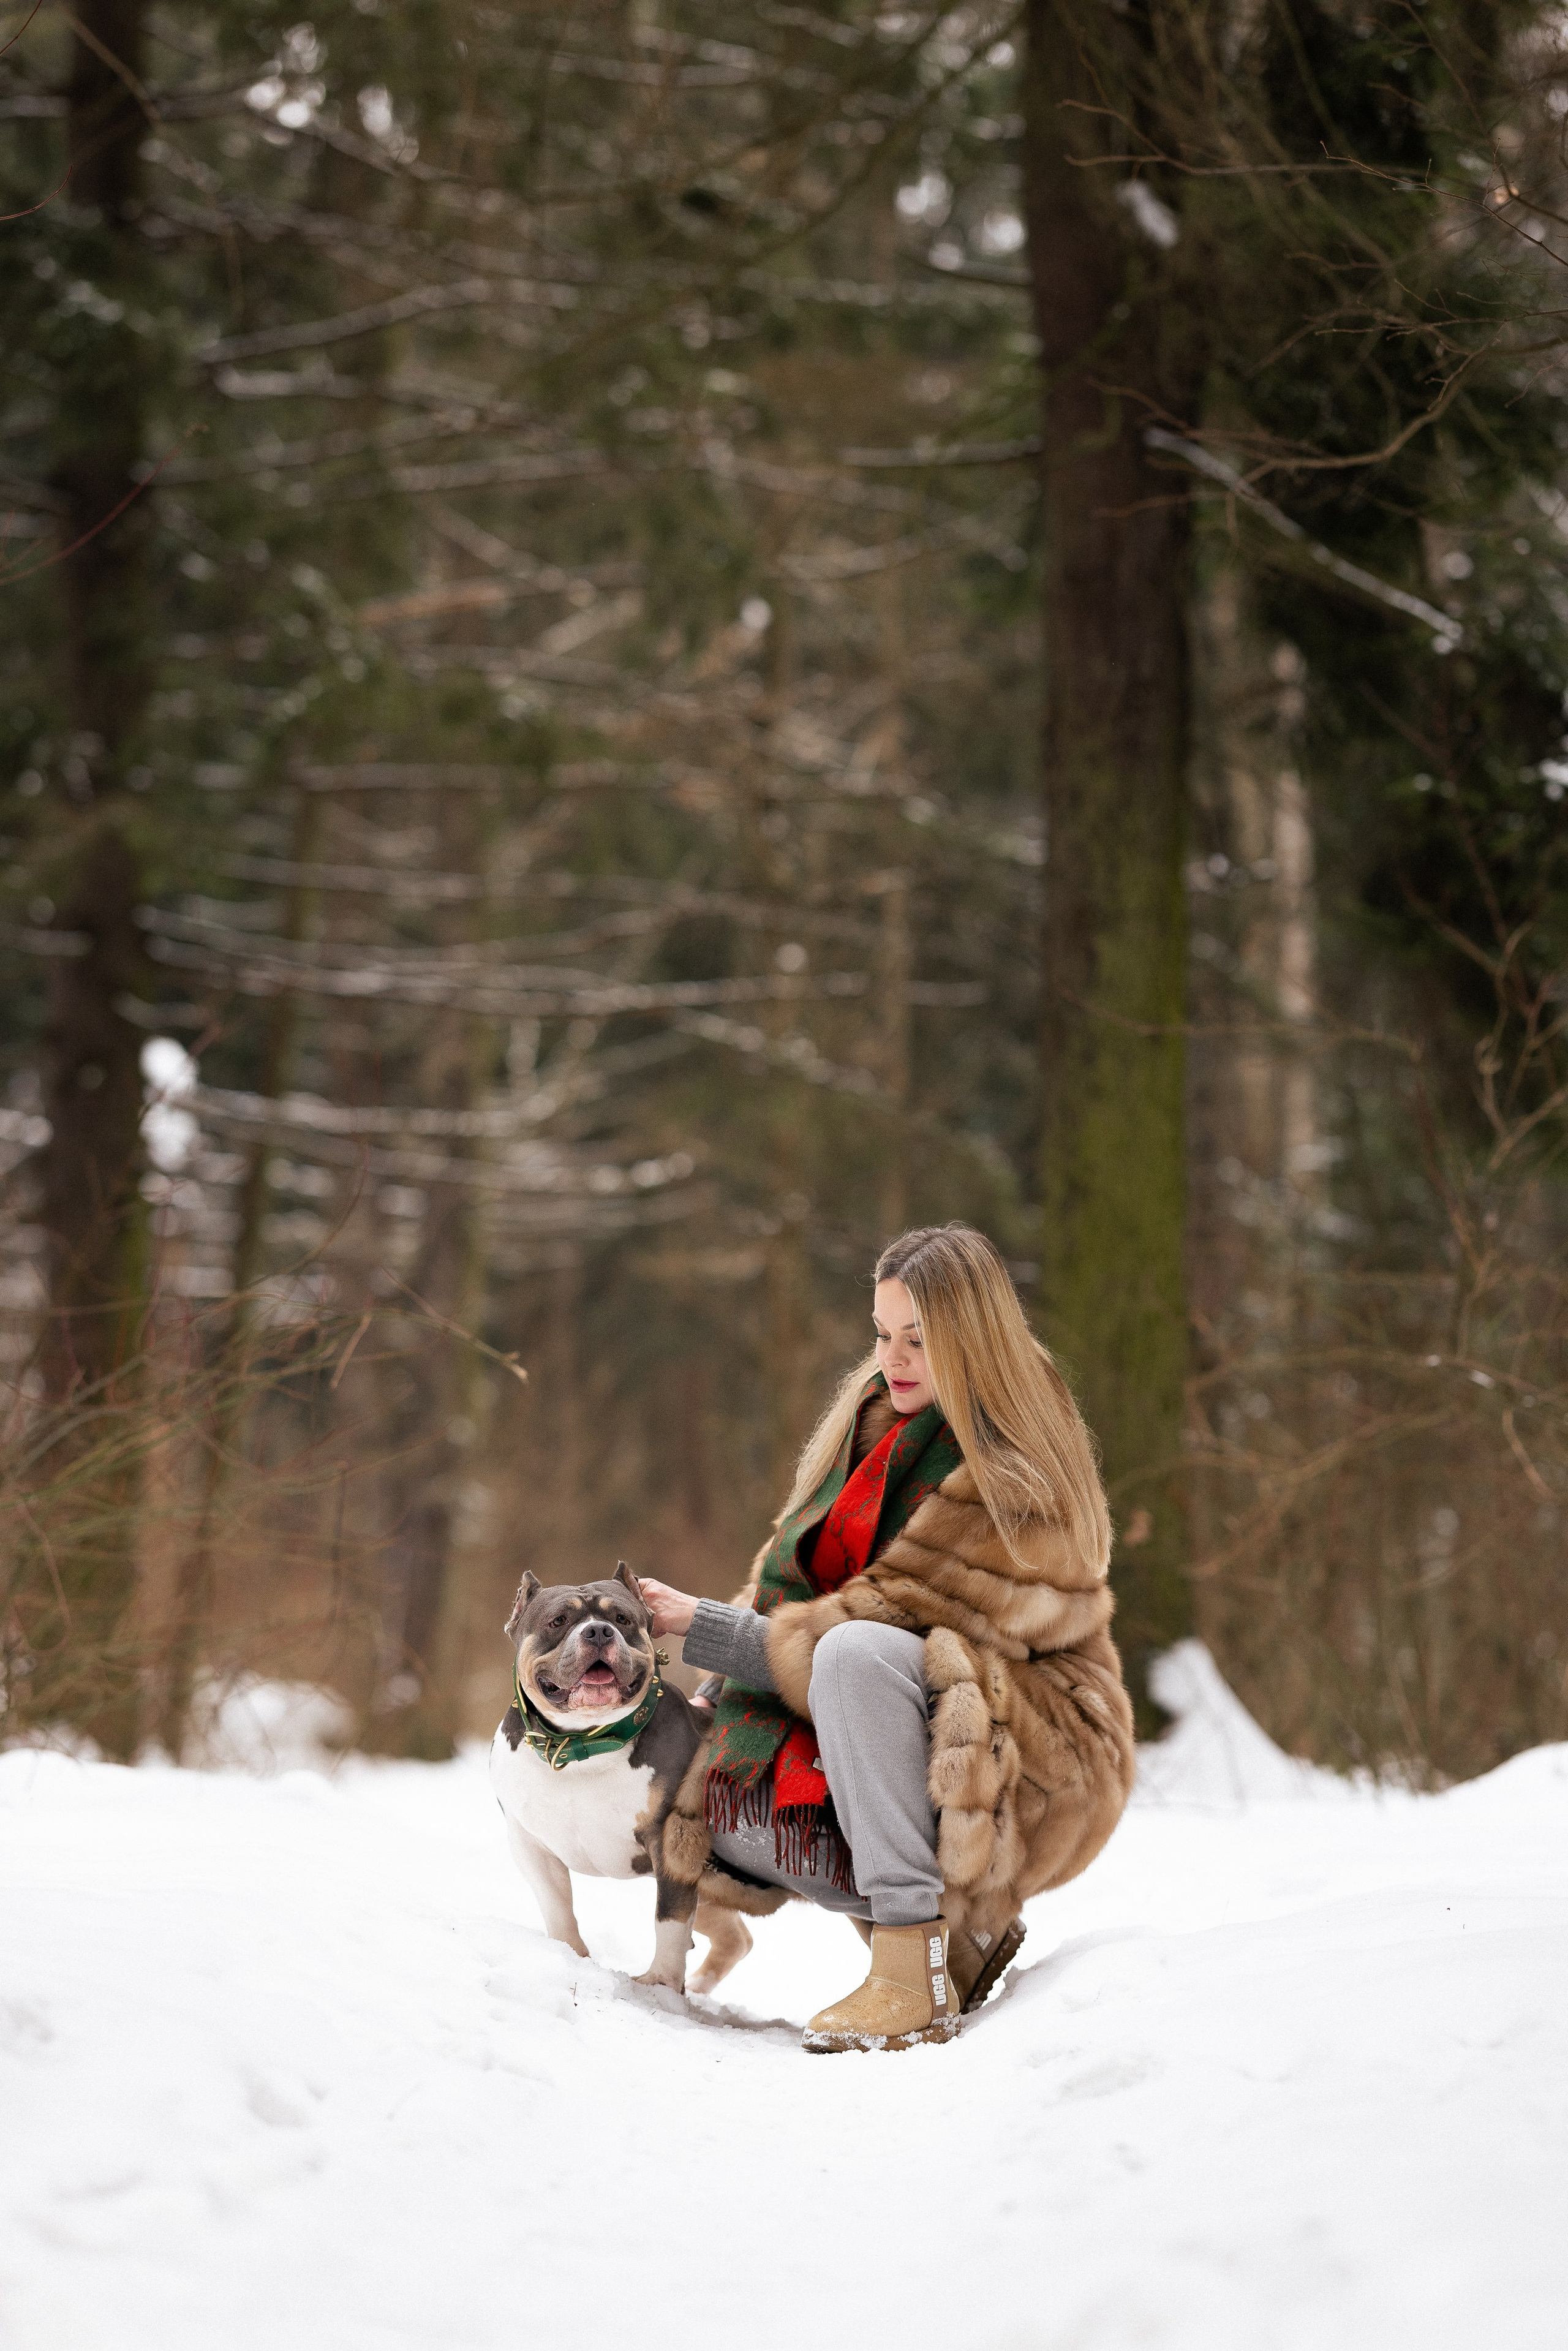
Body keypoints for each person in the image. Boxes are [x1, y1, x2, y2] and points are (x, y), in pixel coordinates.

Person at [639, 1223, 1136, 2055]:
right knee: (715, 1798)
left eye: (919, 1338)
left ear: (972, 1342)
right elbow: (792, 1586)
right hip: (922, 1719)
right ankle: (956, 1950)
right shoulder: (871, 1433)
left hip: (1035, 1751)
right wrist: (718, 1696)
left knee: (852, 1655)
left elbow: (871, 1627)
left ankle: (911, 1969)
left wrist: (709, 1628)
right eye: (882, 1332)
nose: (893, 1357)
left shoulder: (1016, 1470)